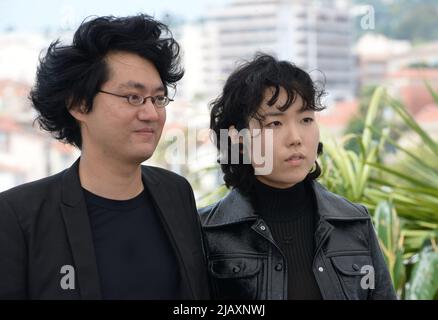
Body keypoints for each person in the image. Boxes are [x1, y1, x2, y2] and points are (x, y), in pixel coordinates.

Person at [0, 14, 209, 300]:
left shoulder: (177, 192)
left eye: (158, 98)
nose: (150, 113)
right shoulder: (19, 216)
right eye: (133, 97)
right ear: (79, 104)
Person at [199, 54, 396, 300]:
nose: (296, 137)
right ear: (237, 138)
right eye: (274, 124)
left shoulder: (354, 222)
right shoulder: (206, 232)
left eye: (305, 119)